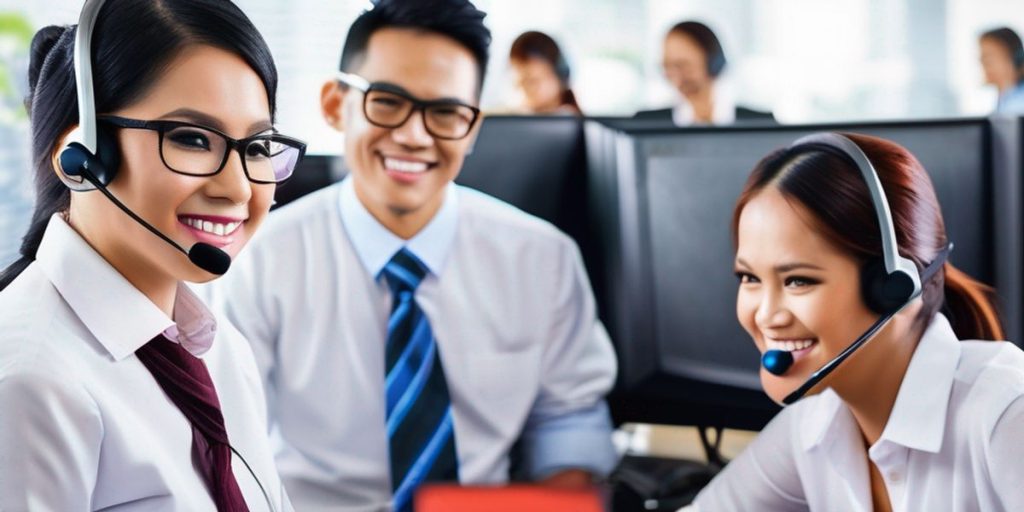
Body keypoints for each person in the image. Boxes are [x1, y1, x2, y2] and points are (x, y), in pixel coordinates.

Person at [209, 0, 619, 511]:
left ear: (471, 128)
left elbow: (569, 417)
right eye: (387, 102)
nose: (413, 135)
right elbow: (226, 438)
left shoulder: (542, 259)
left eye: (446, 112)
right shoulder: (259, 259)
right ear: (336, 105)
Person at [0, 0, 307, 510]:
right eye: (191, 139)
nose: (236, 187)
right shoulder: (30, 380)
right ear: (81, 157)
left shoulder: (218, 348)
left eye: (256, 146)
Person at [684, 133, 1024, 511]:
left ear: (894, 290)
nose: (765, 315)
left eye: (798, 280)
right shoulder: (812, 426)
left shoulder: (1008, 414)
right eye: (749, 278)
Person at [635, 20, 773, 126]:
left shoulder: (761, 123)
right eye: (666, 66)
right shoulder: (645, 124)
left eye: (683, 65)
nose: (674, 75)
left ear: (713, 62)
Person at [508, 31, 582, 115]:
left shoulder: (584, 126)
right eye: (520, 80)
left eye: (532, 80)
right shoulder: (516, 120)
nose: (522, 87)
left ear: (560, 76)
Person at [979, 27, 1024, 114]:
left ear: (1015, 60)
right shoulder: (1004, 102)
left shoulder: (1017, 107)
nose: (982, 63)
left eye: (988, 58)